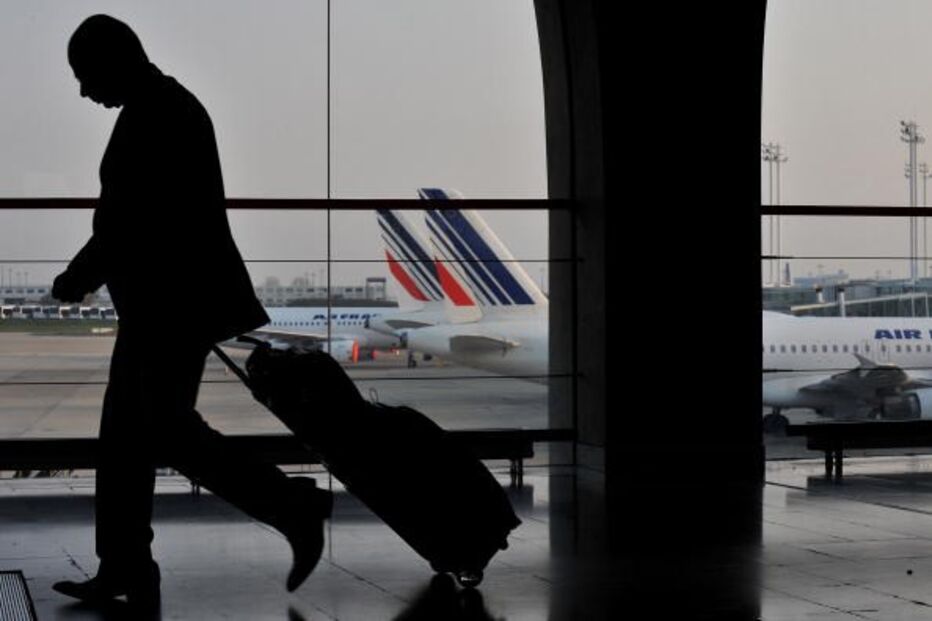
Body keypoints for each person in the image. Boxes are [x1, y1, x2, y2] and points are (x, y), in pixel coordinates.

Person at [50, 14, 331, 610]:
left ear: (113, 60)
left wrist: (78, 276)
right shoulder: (166, 106)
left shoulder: (155, 115)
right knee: (133, 438)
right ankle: (126, 567)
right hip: (169, 306)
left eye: (84, 75)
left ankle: (290, 506)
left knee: (157, 433)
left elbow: (130, 221)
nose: (83, 90)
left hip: (171, 309)